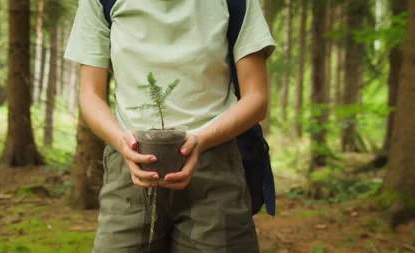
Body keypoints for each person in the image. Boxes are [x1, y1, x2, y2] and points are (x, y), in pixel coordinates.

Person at [64, 0, 276, 252]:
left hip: (214, 171)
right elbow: (90, 94)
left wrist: (202, 140)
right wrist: (121, 140)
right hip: (130, 170)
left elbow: (257, 98)